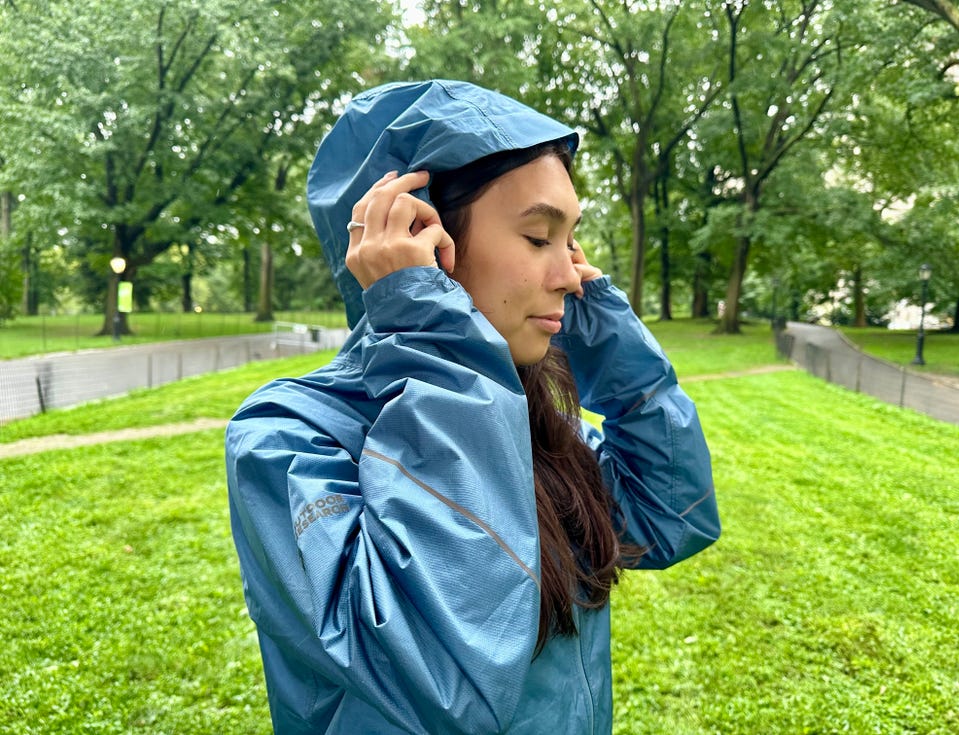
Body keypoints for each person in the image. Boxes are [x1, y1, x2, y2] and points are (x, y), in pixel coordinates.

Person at [225, 79, 720, 735]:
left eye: (571, 240)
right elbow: (445, 679)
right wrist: (430, 320)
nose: (571, 272)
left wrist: (601, 324)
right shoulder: (288, 438)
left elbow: (671, 515)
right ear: (421, 235)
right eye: (540, 237)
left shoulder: (531, 422)